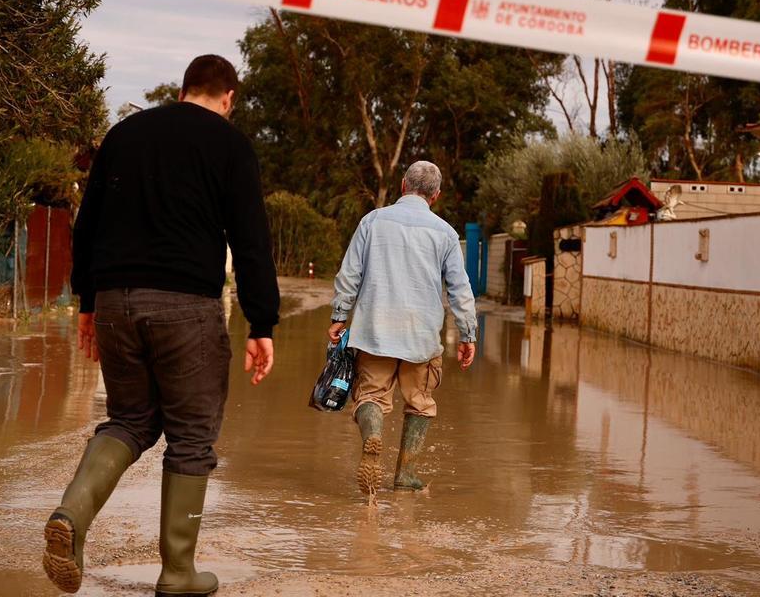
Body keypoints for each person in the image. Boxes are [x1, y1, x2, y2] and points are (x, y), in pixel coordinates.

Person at [43, 55, 279, 596]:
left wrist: (87, 304)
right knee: (192, 438)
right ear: (228, 98)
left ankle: (71, 516)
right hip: (186, 306)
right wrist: (261, 322)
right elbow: (250, 240)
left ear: (182, 90)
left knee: (128, 421)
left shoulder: (124, 134)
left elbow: (88, 225)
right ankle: (177, 572)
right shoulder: (229, 143)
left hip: (115, 302)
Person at [328, 160, 478, 495]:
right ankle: (405, 475)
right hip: (421, 337)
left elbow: (349, 274)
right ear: (436, 196)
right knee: (420, 401)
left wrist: (339, 315)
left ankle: (373, 437)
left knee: (370, 396)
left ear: (402, 185)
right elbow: (460, 290)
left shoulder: (372, 221)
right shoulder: (446, 234)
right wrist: (467, 335)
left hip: (374, 330)